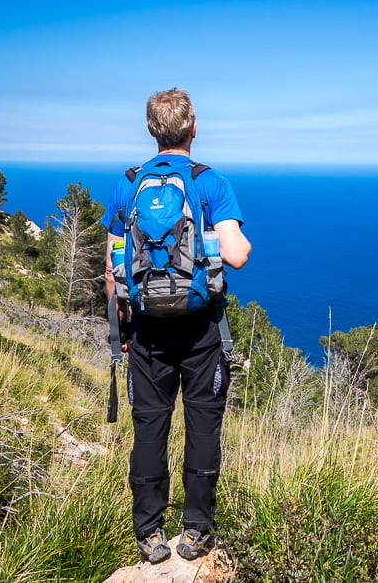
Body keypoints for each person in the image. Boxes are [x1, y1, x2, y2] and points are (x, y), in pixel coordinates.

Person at [102, 88, 251, 563]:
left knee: (150, 429)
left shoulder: (128, 184)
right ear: (194, 127)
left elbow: (112, 267)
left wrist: (121, 330)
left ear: (150, 129)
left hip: (146, 332)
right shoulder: (210, 182)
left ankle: (149, 534)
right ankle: (197, 533)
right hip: (202, 331)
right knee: (202, 427)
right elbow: (237, 255)